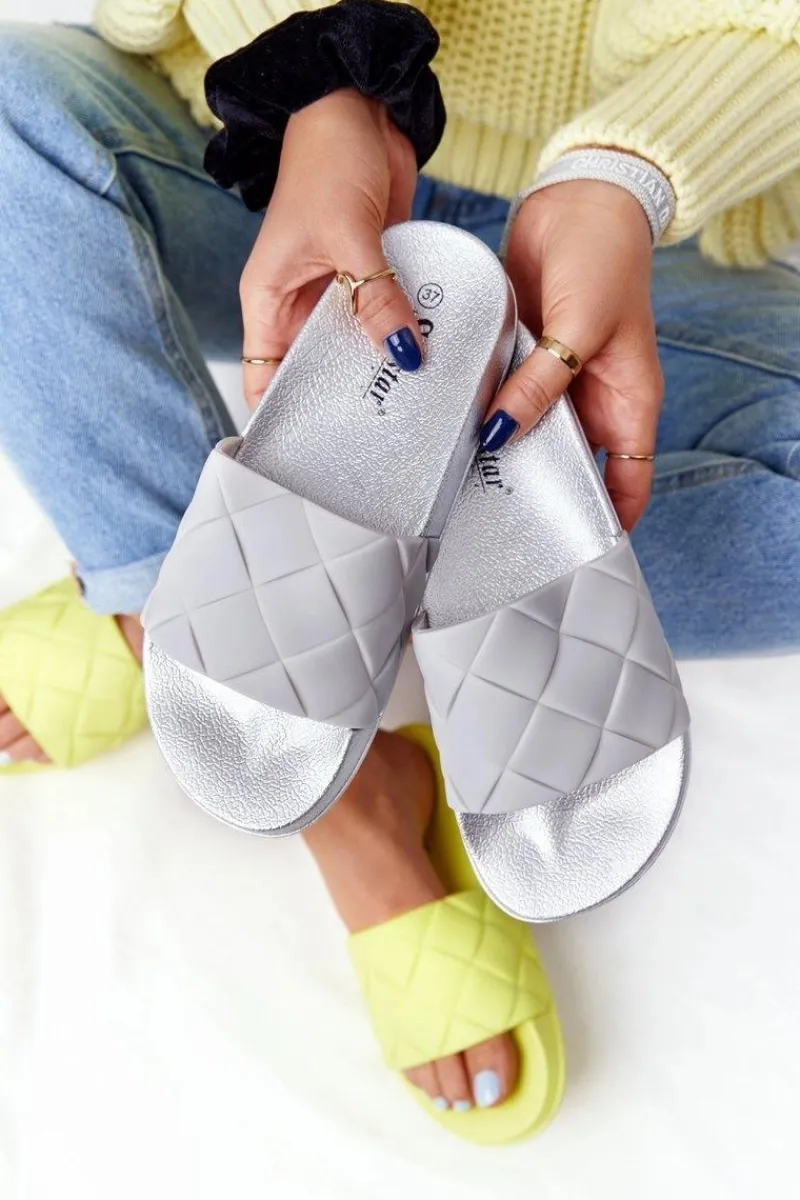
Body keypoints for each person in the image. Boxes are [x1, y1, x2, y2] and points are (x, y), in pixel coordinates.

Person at [1, 0, 799, 1119]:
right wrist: (319, 78)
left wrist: (624, 178)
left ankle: (177, 574)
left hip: (647, 230)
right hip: (284, 168)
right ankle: (343, 789)